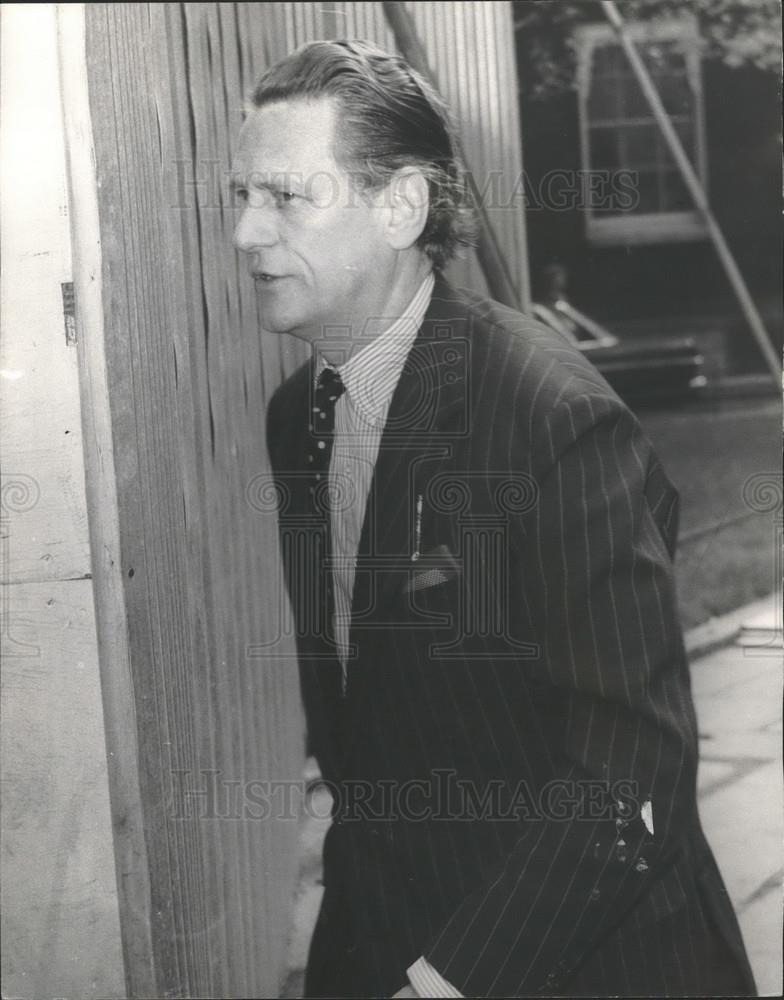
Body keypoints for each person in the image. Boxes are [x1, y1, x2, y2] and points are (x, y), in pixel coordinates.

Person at [232, 39, 756, 999]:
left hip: (589, 961)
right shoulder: (297, 418)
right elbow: (368, 717)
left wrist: (446, 983)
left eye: (285, 197)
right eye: (242, 197)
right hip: (389, 929)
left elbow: (630, 774)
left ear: (402, 206)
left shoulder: (551, 418)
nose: (246, 235)